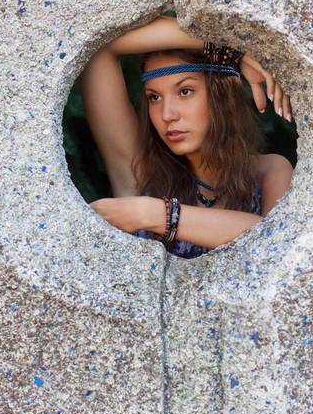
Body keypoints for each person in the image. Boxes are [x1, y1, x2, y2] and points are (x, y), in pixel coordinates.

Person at [78, 15, 294, 259]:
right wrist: (232, 49)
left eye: (185, 91)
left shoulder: (270, 171)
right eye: (154, 97)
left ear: (226, 93)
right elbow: (95, 45)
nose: (167, 115)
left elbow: (280, 240)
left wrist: (158, 215)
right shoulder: (140, 170)